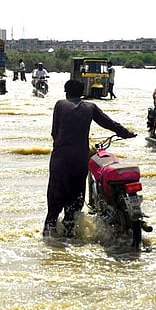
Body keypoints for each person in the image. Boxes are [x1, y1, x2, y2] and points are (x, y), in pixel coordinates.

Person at [43, 79, 136, 238]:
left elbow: (54, 132)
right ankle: (70, 236)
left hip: (60, 160)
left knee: (54, 203)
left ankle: (49, 240)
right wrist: (125, 133)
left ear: (66, 92)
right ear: (83, 92)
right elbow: (109, 123)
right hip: (79, 160)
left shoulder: (60, 105)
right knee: (75, 202)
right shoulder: (90, 107)